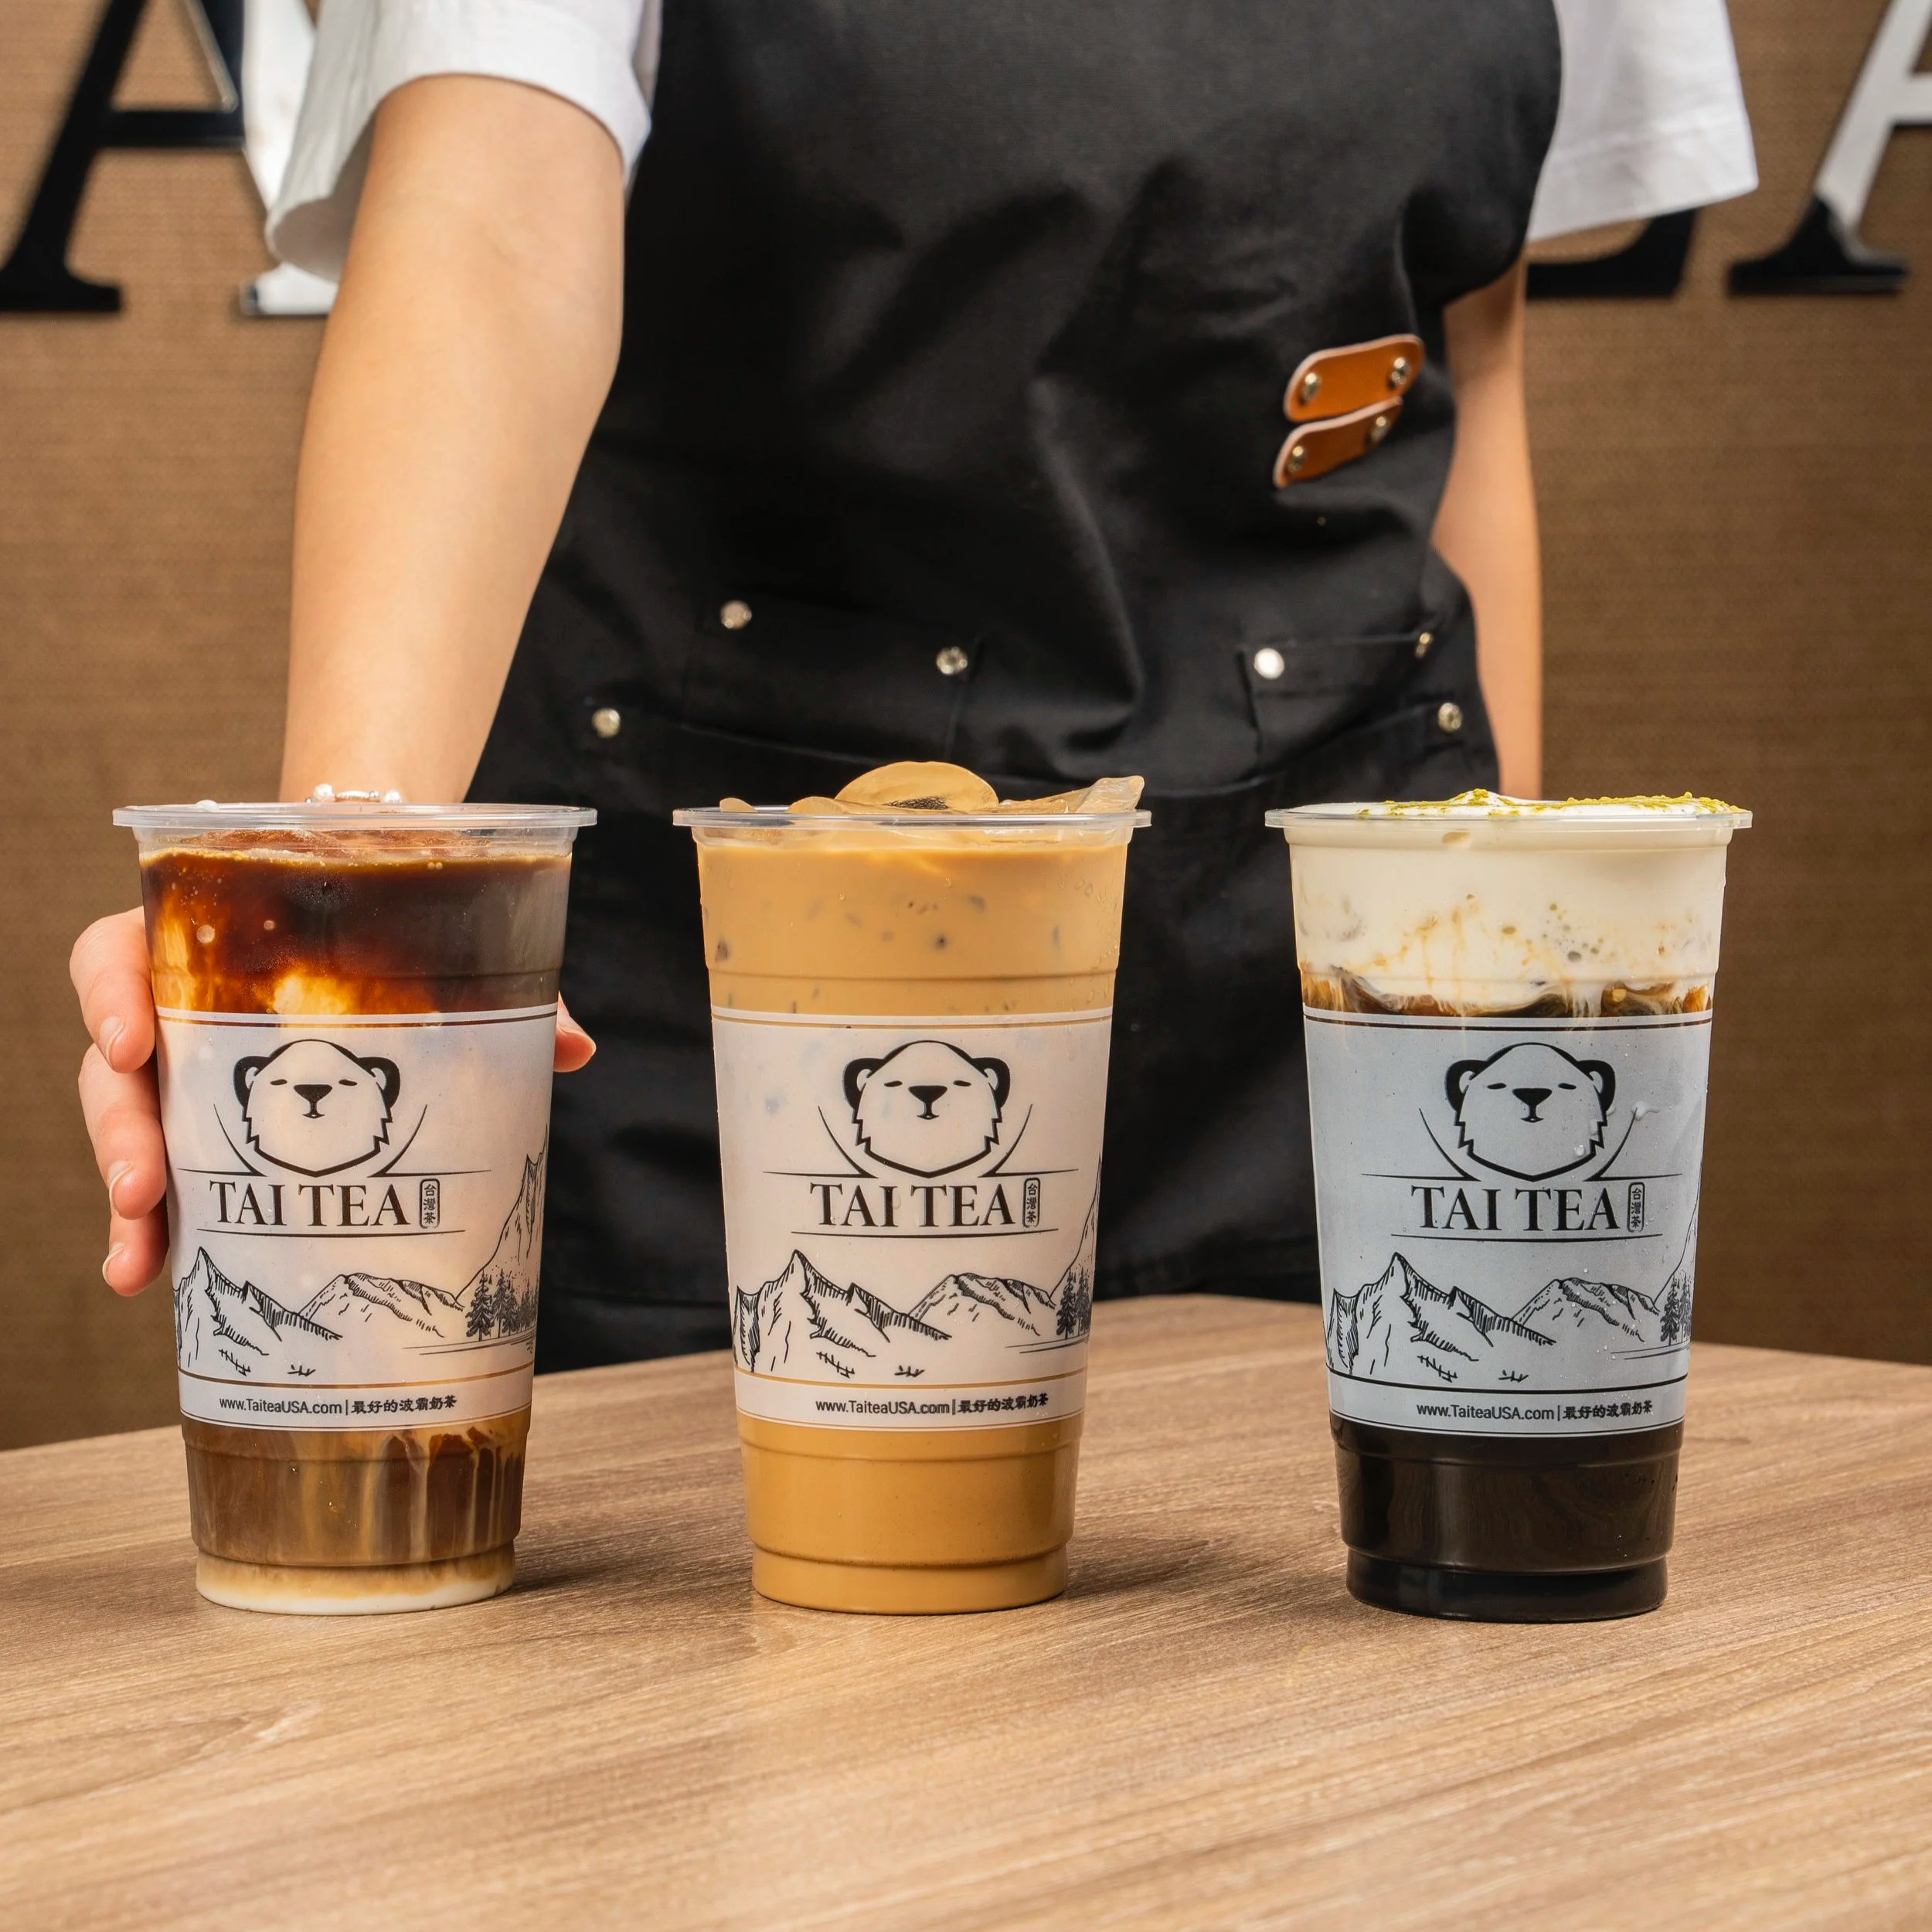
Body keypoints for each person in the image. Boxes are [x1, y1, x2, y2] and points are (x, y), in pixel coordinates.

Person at [73, 0, 1756, 1366]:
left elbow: (1459, 350)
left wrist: (1509, 965)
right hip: (767, 1034)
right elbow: (493, 234)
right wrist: (336, 898)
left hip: (1316, 1022)